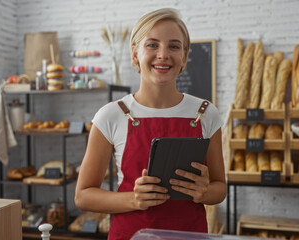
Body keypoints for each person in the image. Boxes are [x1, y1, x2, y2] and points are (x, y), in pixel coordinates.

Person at [75, 8, 226, 239]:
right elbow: (83, 196)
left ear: (184, 56)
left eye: (174, 46)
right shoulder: (111, 115)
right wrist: (133, 199)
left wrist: (204, 192)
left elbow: (220, 188)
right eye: (152, 45)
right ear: (135, 54)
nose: (163, 54)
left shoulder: (206, 113)